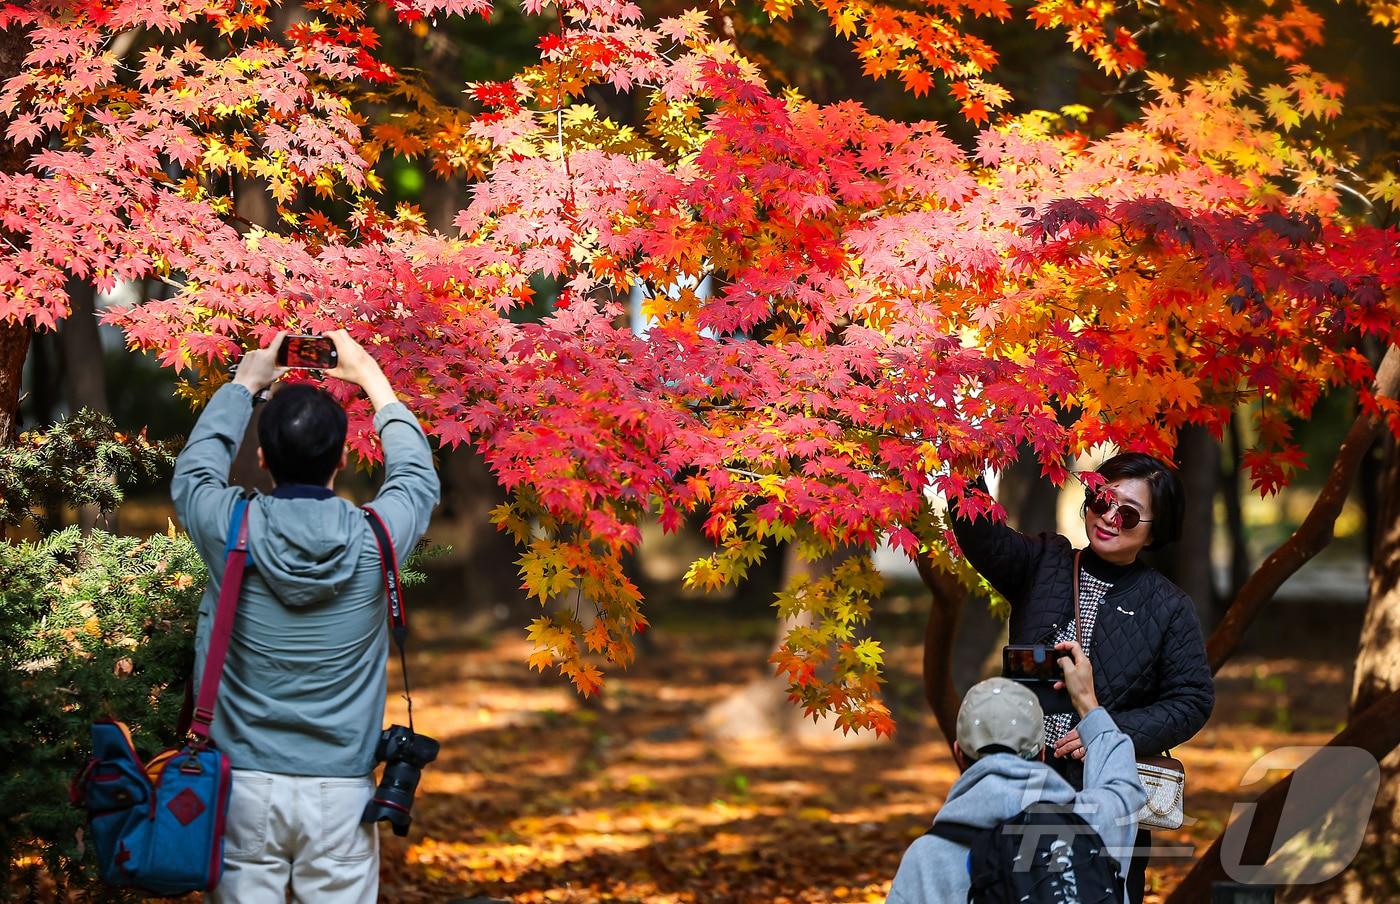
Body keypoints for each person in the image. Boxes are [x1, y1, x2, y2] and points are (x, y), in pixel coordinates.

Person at [172, 330, 440, 903]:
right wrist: (371, 376)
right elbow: (416, 477)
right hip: (342, 792)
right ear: (344, 458)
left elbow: (194, 473)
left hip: (241, 787)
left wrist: (244, 384)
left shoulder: (229, 527)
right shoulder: (378, 539)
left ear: (263, 459)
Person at [950, 452, 1215, 903]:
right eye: (1101, 499)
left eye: (1128, 514)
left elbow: (1191, 699)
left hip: (1101, 794)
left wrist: (1105, 732)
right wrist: (963, 458)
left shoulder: (1168, 607)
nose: (1109, 518)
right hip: (1020, 782)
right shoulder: (1044, 563)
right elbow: (983, 537)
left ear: (1154, 532)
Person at [887, 641, 1146, 903]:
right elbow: (1122, 782)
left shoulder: (926, 859)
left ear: (958, 754)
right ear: (1042, 755)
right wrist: (1087, 703)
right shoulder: (1095, 824)